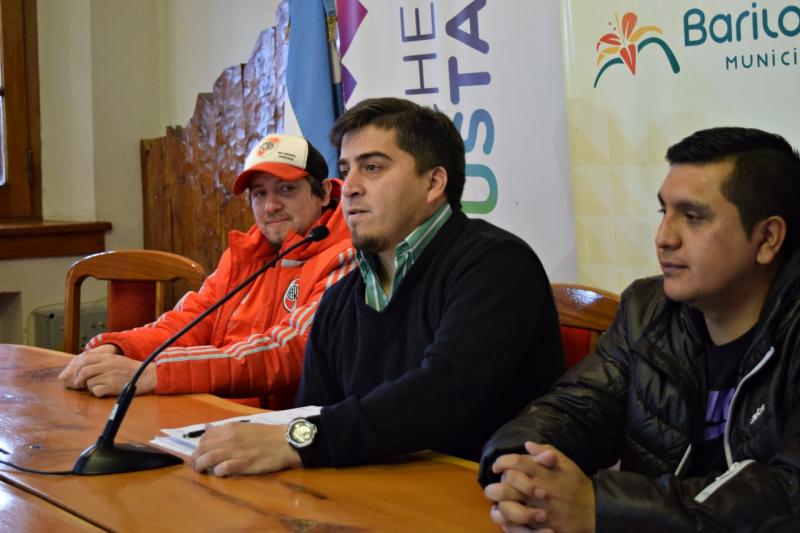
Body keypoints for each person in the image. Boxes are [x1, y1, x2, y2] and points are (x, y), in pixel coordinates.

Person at [190, 97, 565, 476]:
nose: (349, 187)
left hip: (480, 493)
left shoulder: (497, 265)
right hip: (363, 490)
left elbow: (445, 394)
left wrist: (300, 440)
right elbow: (313, 411)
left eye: (372, 167)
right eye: (345, 170)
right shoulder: (340, 298)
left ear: (434, 183)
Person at [480, 127, 800, 532]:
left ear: (767, 238)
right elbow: (574, 410)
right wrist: (519, 466)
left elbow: (787, 495)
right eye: (664, 212)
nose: (664, 238)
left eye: (693, 217)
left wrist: (598, 508)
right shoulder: (647, 310)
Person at [59, 133, 355, 409]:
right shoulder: (246, 253)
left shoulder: (346, 257)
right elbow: (191, 320)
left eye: (286, 189)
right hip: (217, 412)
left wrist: (156, 373)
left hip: (289, 430)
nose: (270, 206)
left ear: (324, 193)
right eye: (259, 194)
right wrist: (118, 349)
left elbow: (288, 353)